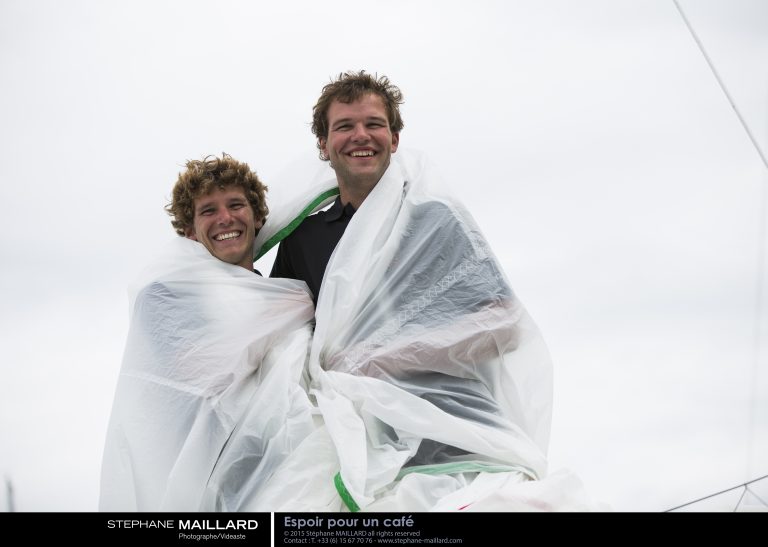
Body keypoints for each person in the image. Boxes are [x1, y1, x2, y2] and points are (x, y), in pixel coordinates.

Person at [262, 72, 594, 511]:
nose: (361, 135)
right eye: (344, 126)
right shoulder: (302, 240)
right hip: (356, 447)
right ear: (323, 145)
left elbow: (504, 325)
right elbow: (277, 341)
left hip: (457, 439)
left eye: (374, 124)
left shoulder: (434, 219)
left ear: (395, 139)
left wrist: (385, 358)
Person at [99, 154, 316, 511]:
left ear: (257, 217)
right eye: (208, 210)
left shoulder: (286, 299)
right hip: (201, 491)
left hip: (286, 482)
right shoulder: (163, 298)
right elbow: (198, 378)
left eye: (236, 205)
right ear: (189, 230)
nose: (225, 218)